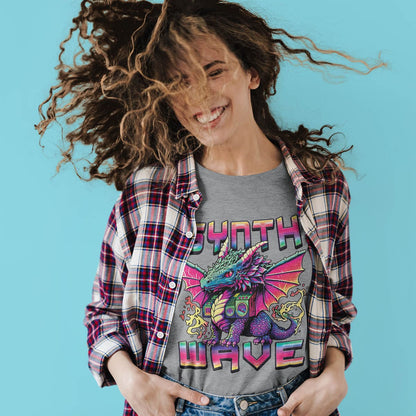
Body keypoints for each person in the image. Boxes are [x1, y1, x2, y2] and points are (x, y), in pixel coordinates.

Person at [35, 1, 384, 415]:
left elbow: (337, 309)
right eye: (179, 82)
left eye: (215, 71)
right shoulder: (149, 194)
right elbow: (103, 312)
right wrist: (132, 382)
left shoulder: (322, 186)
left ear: (252, 72)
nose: (199, 96)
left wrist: (335, 373)